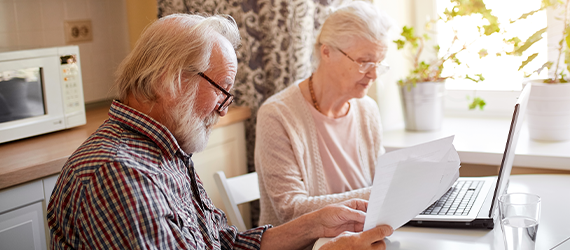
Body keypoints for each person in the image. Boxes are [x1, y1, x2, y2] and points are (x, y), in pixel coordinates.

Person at [46, 13, 392, 250]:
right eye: (223, 89)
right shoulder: (120, 174)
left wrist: (316, 225)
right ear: (171, 79)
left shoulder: (166, 150)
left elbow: (225, 243)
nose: (225, 106)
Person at [255, 1, 392, 226]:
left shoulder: (368, 110)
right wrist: (379, 194)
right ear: (327, 52)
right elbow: (290, 210)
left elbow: (383, 182)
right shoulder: (277, 115)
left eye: (379, 63)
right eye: (365, 62)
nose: (374, 74)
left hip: (363, 237)